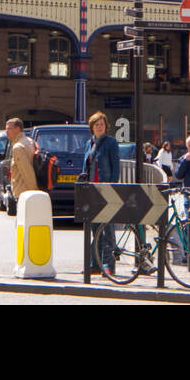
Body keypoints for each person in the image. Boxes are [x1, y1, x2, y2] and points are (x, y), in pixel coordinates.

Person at [84, 112, 120, 273]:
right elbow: (86, 167)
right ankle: (95, 264)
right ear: (92, 127)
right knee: (95, 229)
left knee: (107, 231)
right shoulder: (89, 143)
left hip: (106, 190)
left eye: (102, 124)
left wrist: (112, 187)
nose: (99, 127)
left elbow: (115, 167)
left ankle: (109, 266)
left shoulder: (111, 143)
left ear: (106, 127)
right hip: (92, 190)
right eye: (96, 124)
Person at [6, 118, 37, 202]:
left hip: (24, 193)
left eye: (9, 128)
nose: (7, 132)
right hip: (28, 192)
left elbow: (27, 171)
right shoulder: (30, 141)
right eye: (6, 129)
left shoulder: (18, 147)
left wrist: (34, 191)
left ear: (18, 129)